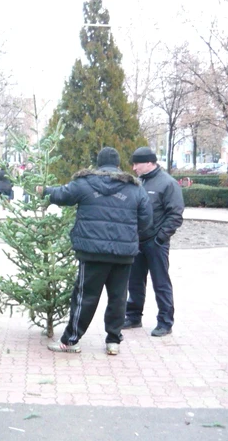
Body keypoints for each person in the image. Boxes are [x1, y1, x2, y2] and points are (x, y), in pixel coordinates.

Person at [36, 147, 152, 355]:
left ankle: (71, 340)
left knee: (84, 297)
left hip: (92, 253)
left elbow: (63, 195)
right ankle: (113, 341)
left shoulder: (85, 183)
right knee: (118, 297)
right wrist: (129, 237)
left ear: (98, 164)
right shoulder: (135, 188)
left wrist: (44, 191)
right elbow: (146, 220)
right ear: (118, 165)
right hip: (123, 255)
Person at [123, 146, 184, 337]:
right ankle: (133, 316)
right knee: (134, 281)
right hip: (137, 241)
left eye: (137, 164)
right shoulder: (138, 182)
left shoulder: (168, 184)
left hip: (156, 243)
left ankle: (165, 322)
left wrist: (160, 238)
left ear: (149, 162)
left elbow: (175, 214)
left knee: (161, 282)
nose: (134, 168)